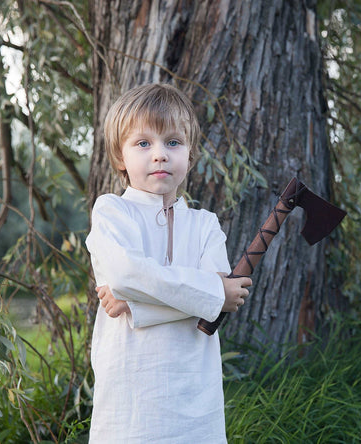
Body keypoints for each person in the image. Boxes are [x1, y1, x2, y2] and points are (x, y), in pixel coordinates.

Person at [85, 83, 252, 443]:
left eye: (173, 142)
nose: (160, 154)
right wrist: (212, 292)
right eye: (143, 143)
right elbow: (129, 275)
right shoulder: (112, 211)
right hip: (130, 398)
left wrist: (134, 305)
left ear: (189, 156)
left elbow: (213, 309)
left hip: (195, 396)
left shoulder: (205, 225)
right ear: (120, 158)